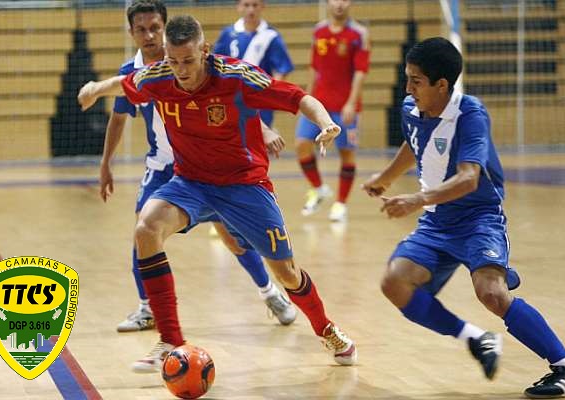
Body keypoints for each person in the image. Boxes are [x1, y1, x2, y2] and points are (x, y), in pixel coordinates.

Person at [78, 14, 357, 372]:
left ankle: (326, 328)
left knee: (286, 273)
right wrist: (96, 88)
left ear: (205, 51)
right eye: (174, 60)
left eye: (189, 61)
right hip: (191, 183)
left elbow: (298, 97)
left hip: (244, 185)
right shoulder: (159, 75)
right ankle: (171, 340)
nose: (181, 70)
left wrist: (326, 123)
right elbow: (124, 83)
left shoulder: (237, 77)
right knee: (146, 228)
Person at [362, 37, 565, 399]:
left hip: (478, 218)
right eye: (408, 78)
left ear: (442, 85)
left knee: (492, 293)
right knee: (395, 283)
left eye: (416, 81)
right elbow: (414, 142)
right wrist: (386, 177)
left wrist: (416, 199)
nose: (408, 88)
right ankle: (477, 338)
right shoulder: (410, 108)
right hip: (436, 221)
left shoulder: (470, 115)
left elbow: (469, 178)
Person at [104, 0, 296, 333]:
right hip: (164, 165)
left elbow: (234, 102)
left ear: (166, 31)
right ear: (131, 32)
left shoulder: (192, 64)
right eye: (141, 29)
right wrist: (106, 163)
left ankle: (269, 292)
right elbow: (119, 118)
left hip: (205, 164)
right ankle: (148, 308)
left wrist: (262, 129)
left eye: (155, 28)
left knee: (231, 235)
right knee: (143, 230)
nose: (149, 35)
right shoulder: (130, 74)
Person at [295, 0, 369, 222]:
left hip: (345, 105)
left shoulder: (359, 33)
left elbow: (360, 72)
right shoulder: (319, 30)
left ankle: (340, 204)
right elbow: (314, 67)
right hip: (319, 103)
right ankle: (319, 188)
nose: (339, 4)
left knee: (346, 153)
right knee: (301, 145)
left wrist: (351, 103)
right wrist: (305, 98)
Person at [213, 0, 294, 127]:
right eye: (246, 5)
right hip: (231, 99)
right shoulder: (228, 34)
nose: (251, 10)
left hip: (259, 102)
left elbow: (281, 70)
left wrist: (269, 94)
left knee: (259, 140)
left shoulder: (271, 36)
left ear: (262, 6)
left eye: (255, 5)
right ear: (238, 7)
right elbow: (215, 65)